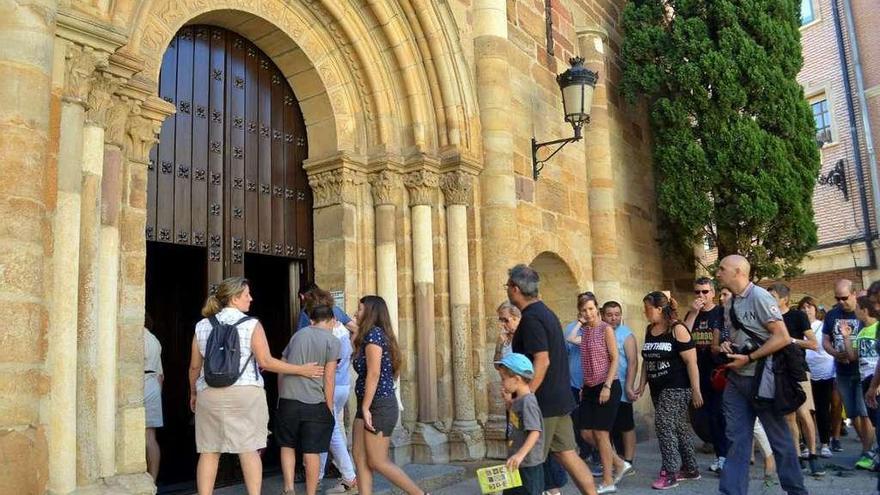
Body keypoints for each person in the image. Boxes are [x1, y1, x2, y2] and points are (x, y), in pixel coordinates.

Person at [189, 277, 325, 495]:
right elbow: (266, 362)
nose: (250, 299)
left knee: (209, 451)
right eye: (246, 295)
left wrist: (194, 393)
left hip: (209, 393)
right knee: (249, 449)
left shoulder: (202, 326)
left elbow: (195, 367)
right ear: (234, 298)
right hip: (246, 393)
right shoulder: (251, 324)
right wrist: (301, 370)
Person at [715, 255, 807, 495]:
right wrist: (727, 345)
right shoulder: (728, 303)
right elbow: (736, 335)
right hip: (736, 381)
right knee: (736, 440)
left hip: (763, 380)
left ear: (738, 272)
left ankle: (796, 490)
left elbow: (782, 336)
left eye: (721, 269)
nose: (717, 273)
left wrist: (750, 357)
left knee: (780, 441)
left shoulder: (760, 297)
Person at [506, 264, 598, 495]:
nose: (507, 289)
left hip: (543, 403)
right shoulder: (545, 312)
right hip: (558, 399)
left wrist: (528, 397)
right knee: (567, 454)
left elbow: (542, 360)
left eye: (508, 286)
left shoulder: (532, 318)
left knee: (527, 460)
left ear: (515, 289)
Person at [352, 295, 429, 495]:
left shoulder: (374, 335)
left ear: (370, 313)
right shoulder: (369, 334)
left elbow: (374, 372)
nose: (355, 313)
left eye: (359, 309)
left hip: (378, 404)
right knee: (359, 456)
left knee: (376, 460)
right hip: (367, 403)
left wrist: (366, 407)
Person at [635, 291, 703, 490]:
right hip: (658, 388)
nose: (645, 312)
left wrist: (696, 390)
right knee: (679, 427)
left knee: (664, 425)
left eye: (648, 308)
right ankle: (691, 469)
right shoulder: (650, 329)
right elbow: (647, 361)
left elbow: (691, 362)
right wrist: (641, 385)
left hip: (677, 387)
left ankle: (670, 472)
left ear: (659, 308)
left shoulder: (677, 329)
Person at [277, 290, 341, 495]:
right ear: (331, 321)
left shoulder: (298, 335)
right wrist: (329, 407)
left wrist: (281, 395)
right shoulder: (333, 342)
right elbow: (329, 378)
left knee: (287, 444)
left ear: (311, 321)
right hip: (314, 402)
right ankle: (311, 492)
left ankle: (288, 488)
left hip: (288, 400)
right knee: (311, 450)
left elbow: (282, 365)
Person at [567, 293, 631, 493]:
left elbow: (614, 359)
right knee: (586, 433)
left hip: (607, 386)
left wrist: (607, 386)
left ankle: (608, 480)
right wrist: (580, 321)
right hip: (589, 388)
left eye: (591, 309)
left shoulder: (606, 329)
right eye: (584, 310)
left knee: (601, 434)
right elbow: (570, 338)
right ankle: (619, 463)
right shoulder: (585, 331)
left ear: (597, 309)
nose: (589, 313)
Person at [767, 283, 823, 477]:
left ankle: (813, 454)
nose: (769, 299)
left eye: (772, 295)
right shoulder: (768, 319)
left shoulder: (797, 316)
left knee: (804, 413)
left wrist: (790, 340)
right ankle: (797, 457)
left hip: (798, 369)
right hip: (778, 371)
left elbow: (813, 343)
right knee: (789, 415)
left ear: (784, 299)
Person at [823, 279, 872, 465]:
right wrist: (835, 353)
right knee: (852, 412)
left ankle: (869, 451)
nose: (841, 302)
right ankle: (868, 447)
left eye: (844, 298)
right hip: (842, 370)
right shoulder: (832, 314)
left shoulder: (863, 312)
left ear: (853, 294)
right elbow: (826, 340)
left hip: (862, 370)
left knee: (864, 411)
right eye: (837, 298)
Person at [682, 277, 727, 474]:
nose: (701, 295)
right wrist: (693, 312)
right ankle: (721, 455)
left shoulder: (721, 313)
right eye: (697, 292)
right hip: (697, 371)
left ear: (713, 293)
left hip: (718, 372)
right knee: (708, 416)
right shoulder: (693, 313)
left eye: (705, 292)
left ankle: (724, 456)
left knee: (719, 415)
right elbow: (683, 335)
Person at [318, 300, 359, 495]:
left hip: (332, 387)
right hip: (343, 385)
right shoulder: (343, 332)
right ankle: (318, 474)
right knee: (327, 430)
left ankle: (349, 475)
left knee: (330, 431)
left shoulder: (330, 335)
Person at [495, 353, 545, 495]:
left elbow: (535, 431)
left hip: (527, 464)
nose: (502, 383)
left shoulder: (528, 402)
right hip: (517, 463)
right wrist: (509, 402)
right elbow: (518, 420)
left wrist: (520, 455)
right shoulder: (519, 400)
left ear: (517, 379)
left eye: (504, 379)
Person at [602, 301, 638, 469]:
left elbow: (632, 362)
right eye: (610, 314)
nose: (613, 318)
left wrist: (629, 386)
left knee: (625, 424)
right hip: (603, 386)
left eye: (617, 314)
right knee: (608, 426)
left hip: (621, 386)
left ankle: (628, 460)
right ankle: (613, 459)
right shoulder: (599, 331)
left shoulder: (626, 334)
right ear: (603, 315)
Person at [844, 295, 879, 469]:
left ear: (864, 310)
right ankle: (873, 454)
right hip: (865, 379)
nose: (855, 311)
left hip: (876, 380)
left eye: (857, 308)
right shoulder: (862, 331)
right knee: (874, 420)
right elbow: (852, 356)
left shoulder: (878, 328)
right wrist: (846, 337)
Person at [799, 296, 836, 458]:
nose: (807, 310)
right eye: (803, 308)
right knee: (807, 411)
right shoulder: (799, 327)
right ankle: (808, 443)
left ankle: (825, 443)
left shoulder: (823, 326)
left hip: (824, 371)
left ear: (815, 309)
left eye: (809, 307)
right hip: (805, 372)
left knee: (823, 409)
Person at [144, 313, 163, 481]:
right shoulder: (155, 340)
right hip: (153, 386)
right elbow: (160, 376)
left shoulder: (136, 336)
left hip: (139, 383)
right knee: (150, 437)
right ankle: (153, 480)